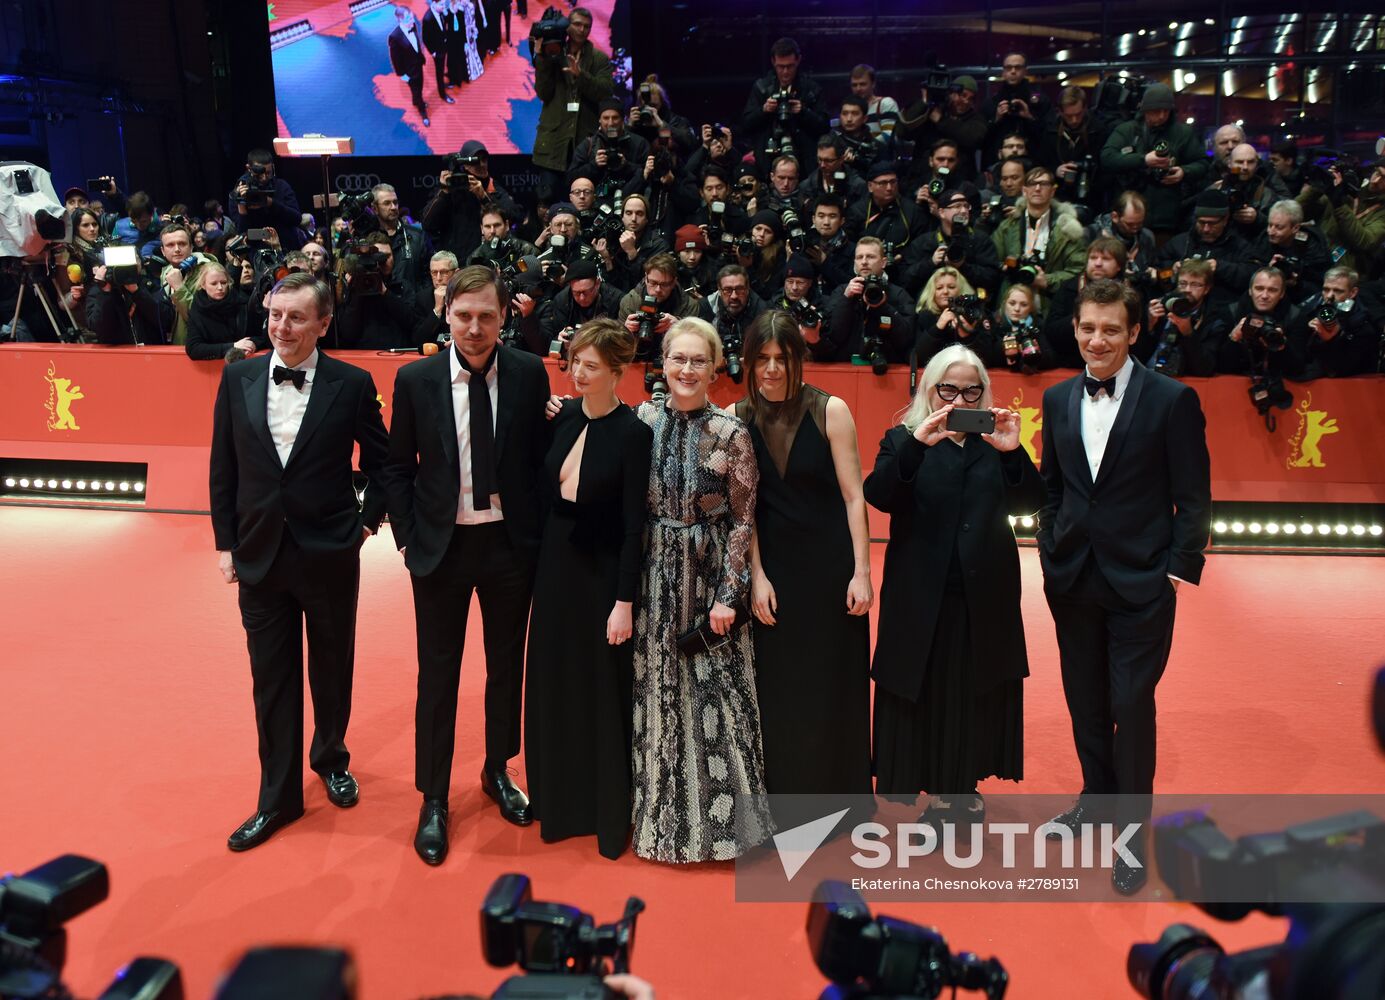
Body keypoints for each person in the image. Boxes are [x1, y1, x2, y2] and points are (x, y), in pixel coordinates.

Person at [1038, 278, 1211, 895]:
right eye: (1088, 328)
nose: (1098, 340)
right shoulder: (1057, 399)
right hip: (1073, 575)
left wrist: (1176, 566)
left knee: (1131, 707)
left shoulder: (1172, 399)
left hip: (1141, 578)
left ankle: (1131, 836)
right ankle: (1095, 799)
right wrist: (1049, 546)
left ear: (1134, 332)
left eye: (1111, 329)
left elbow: (1193, 496)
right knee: (1084, 699)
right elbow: (1054, 487)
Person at [209, 272, 392, 851]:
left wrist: (366, 523)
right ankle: (277, 797)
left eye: (295, 317)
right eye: (274, 315)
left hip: (330, 552)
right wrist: (224, 542)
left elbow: (385, 462)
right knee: (272, 680)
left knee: (332, 667)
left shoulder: (352, 382)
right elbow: (224, 467)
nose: (281, 328)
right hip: (260, 553)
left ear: (322, 323)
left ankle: (331, 757)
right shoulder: (236, 377)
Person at [384, 266, 551, 865]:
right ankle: (433, 796)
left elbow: (538, 461)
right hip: (440, 548)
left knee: (507, 667)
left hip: (510, 546)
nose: (475, 328)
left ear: (505, 316)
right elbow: (397, 466)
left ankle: (497, 769)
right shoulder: (417, 379)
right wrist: (408, 538)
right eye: (463, 316)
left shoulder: (531, 375)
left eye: (487, 316)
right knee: (439, 674)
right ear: (445, 314)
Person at [866, 343, 1040, 832]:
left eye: (972, 390)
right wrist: (918, 444)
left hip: (986, 596)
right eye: (949, 389)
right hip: (921, 596)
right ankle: (937, 792)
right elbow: (880, 495)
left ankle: (964, 788)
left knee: (974, 691)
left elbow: (1032, 503)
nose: (961, 401)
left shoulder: (996, 441)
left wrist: (1013, 453)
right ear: (930, 389)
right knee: (926, 688)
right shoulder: (903, 437)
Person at [631, 316, 773, 862]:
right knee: (657, 697)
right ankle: (658, 826)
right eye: (677, 358)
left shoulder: (732, 434)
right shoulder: (641, 420)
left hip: (709, 580)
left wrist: (728, 596)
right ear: (662, 364)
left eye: (698, 360)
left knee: (716, 696)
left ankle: (726, 831)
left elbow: (743, 521)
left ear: (716, 368)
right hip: (651, 579)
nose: (686, 369)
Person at [734, 313, 873, 821]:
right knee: (779, 689)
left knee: (832, 682)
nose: (772, 369)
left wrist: (862, 572)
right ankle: (783, 807)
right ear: (748, 361)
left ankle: (843, 802)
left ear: (798, 359)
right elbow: (741, 509)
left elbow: (854, 496)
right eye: (762, 359)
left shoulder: (830, 410)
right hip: (776, 574)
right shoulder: (737, 415)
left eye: (782, 359)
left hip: (831, 569)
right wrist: (757, 575)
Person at [525, 319, 652, 858]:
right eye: (575, 360)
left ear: (618, 372)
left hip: (602, 576)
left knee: (600, 687)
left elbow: (633, 527)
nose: (578, 371)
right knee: (553, 678)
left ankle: (602, 809)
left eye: (591, 366)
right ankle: (554, 798)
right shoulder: (562, 415)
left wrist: (624, 601)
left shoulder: (634, 433)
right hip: (555, 566)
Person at [532, 6, 613, 201]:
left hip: (583, 142)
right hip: (554, 141)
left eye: (586, 26)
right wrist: (542, 59)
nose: (581, 29)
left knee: (583, 200)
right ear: (568, 26)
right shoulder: (554, 53)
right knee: (548, 199)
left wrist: (581, 76)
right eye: (577, 24)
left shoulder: (598, 59)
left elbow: (605, 93)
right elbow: (543, 93)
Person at [186, 263, 259, 361]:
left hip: (244, 364)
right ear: (203, 285)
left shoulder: (241, 303)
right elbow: (193, 348)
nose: (220, 288)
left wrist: (253, 343)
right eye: (214, 283)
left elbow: (260, 336)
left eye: (224, 282)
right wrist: (233, 346)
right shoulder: (197, 309)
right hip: (210, 370)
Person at [388, 5, 430, 127]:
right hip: (409, 71)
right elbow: (395, 59)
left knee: (420, 86)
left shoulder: (413, 26)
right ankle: (422, 110)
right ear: (400, 20)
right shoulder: (394, 37)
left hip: (418, 64)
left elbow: (416, 43)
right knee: (416, 90)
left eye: (412, 17)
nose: (412, 21)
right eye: (408, 19)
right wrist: (402, 75)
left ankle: (416, 100)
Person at [420, 0, 456, 104]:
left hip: (445, 44)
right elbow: (425, 38)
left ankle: (449, 78)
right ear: (433, 4)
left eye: (444, 4)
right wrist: (433, 52)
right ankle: (442, 93)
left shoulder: (441, 12)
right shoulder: (428, 18)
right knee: (439, 71)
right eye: (441, 4)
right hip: (437, 50)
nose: (444, 6)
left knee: (448, 63)